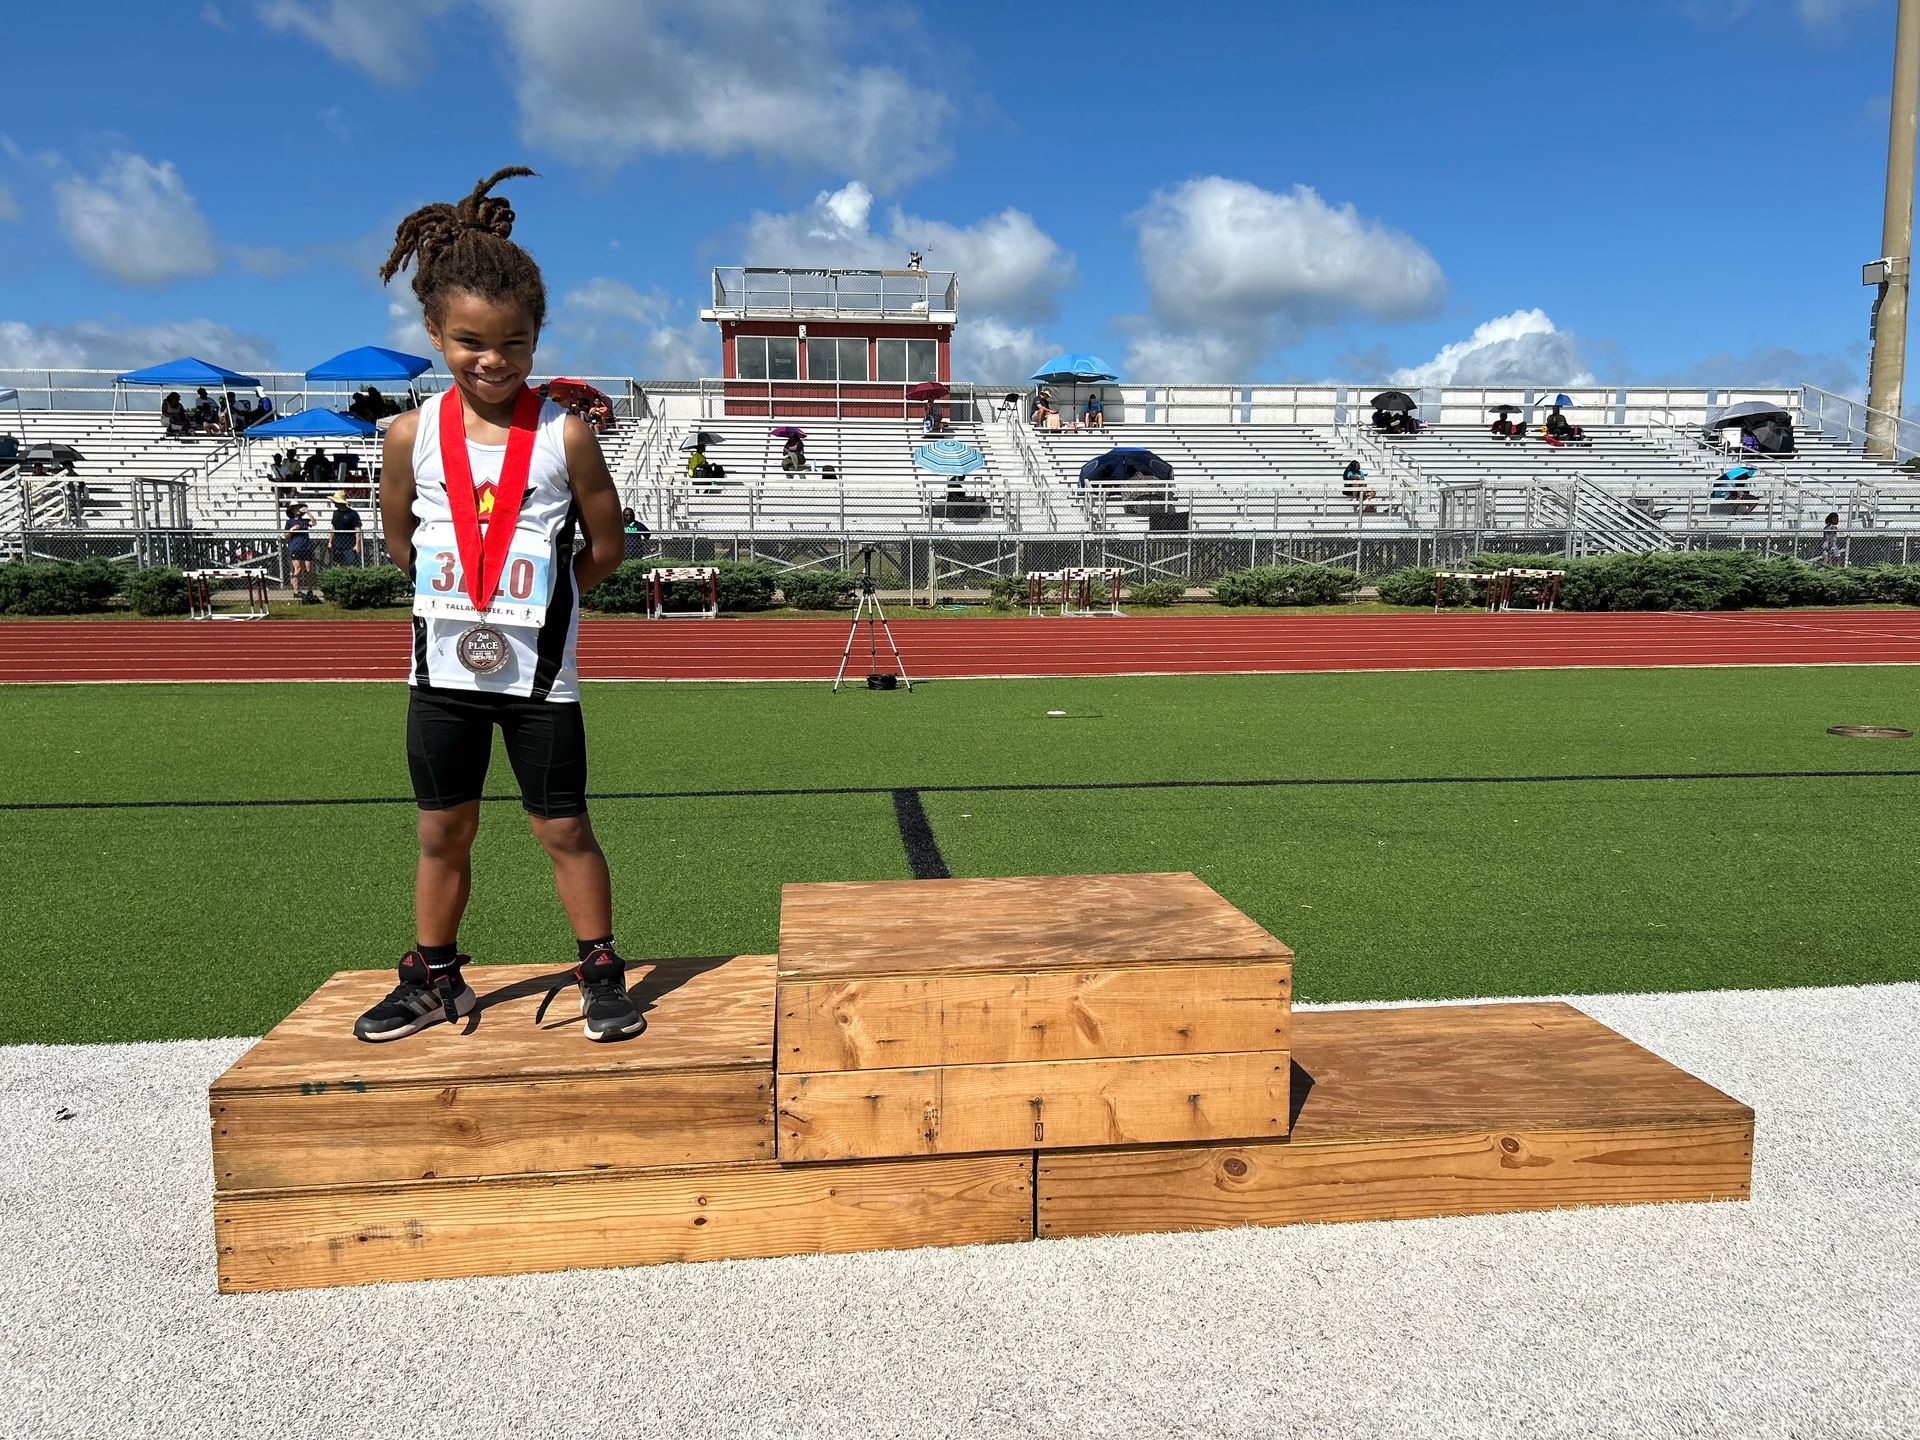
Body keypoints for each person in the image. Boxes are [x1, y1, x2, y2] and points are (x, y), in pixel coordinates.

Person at [358, 164, 642, 1045]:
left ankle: (600, 967)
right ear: (437, 332)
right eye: (472, 342)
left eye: (515, 343)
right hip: (441, 670)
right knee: (442, 830)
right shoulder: (409, 434)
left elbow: (606, 546)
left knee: (563, 829)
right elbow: (401, 537)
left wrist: (550, 597)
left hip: (539, 678)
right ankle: (435, 976)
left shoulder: (564, 432)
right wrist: (463, 592)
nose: (494, 360)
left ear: (536, 338)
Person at [284, 501, 317, 601]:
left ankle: (310, 590)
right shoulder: (289, 522)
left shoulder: (305, 521)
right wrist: (292, 530)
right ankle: (296, 591)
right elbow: (285, 536)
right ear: (293, 510)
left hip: (306, 547)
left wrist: (308, 512)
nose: (298, 510)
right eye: (296, 508)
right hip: (296, 547)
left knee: (309, 570)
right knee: (298, 569)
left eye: (299, 508)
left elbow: (314, 523)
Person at [329, 490, 363, 567]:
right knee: (339, 563)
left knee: (351, 565)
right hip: (337, 543)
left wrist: (357, 544)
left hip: (350, 544)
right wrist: (330, 541)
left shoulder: (353, 514)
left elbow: (358, 530)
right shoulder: (335, 513)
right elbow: (333, 528)